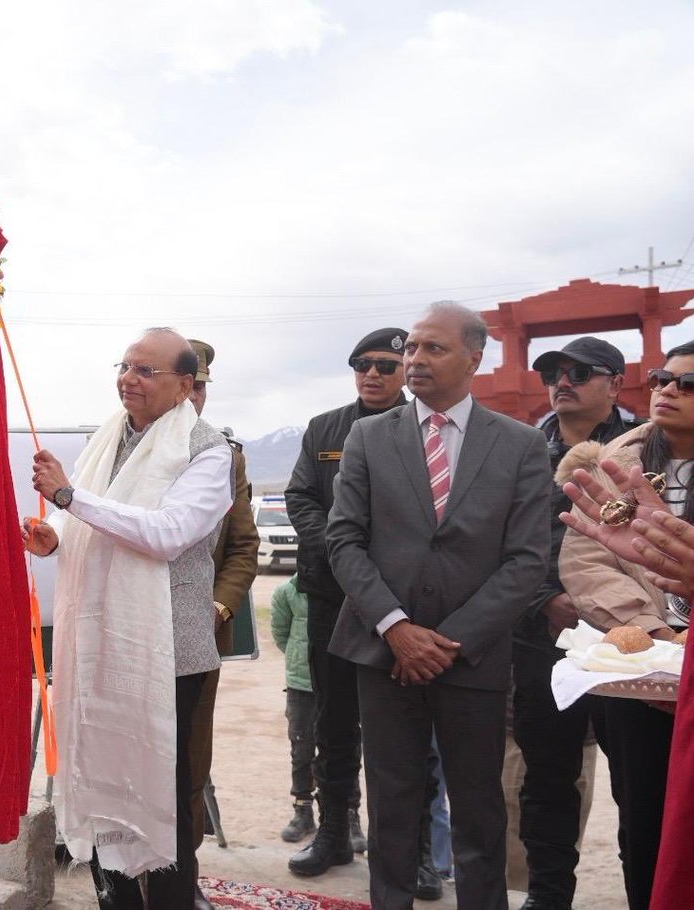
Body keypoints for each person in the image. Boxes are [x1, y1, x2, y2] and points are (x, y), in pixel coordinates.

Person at [326, 301, 551, 910]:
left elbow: (528, 560)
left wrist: (447, 641)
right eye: (412, 349)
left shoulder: (522, 445)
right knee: (393, 804)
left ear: (475, 358)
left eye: (433, 349)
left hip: (471, 659)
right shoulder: (370, 436)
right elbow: (343, 539)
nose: (414, 361)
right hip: (384, 652)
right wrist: (398, 629)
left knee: (478, 808)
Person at [22, 327, 232, 910]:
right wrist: (55, 536)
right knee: (99, 776)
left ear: (185, 385)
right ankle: (114, 898)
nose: (128, 379)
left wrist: (69, 500)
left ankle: (170, 900)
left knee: (165, 792)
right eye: (125, 366)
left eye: (146, 371)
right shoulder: (109, 438)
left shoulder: (210, 451)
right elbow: (90, 521)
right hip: (99, 644)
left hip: (168, 650)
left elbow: (165, 535)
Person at [552, 342, 694, 910]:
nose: (669, 390)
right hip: (638, 675)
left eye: (689, 384)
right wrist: (655, 643)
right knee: (645, 814)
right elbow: (587, 559)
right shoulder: (614, 463)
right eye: (663, 378)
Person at [511, 337, 637, 910]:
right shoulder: (518, 451)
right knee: (548, 775)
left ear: (614, 383)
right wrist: (543, 600)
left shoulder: (647, 449)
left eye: (581, 373)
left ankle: (648, 890)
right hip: (546, 639)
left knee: (639, 779)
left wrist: (613, 608)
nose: (564, 382)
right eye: (553, 373)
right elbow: (499, 541)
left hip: (635, 641)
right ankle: (548, 895)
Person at [283, 326, 408, 876]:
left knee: (403, 728)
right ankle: (333, 832)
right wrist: (339, 549)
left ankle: (409, 850)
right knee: (332, 723)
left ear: (406, 370)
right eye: (362, 363)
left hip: (401, 601)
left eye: (385, 364)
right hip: (333, 596)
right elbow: (300, 496)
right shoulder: (325, 428)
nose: (372, 374)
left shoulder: (419, 428)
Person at [186, 339, 260, 910]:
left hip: (195, 637)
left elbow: (242, 547)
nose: (196, 396)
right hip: (125, 634)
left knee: (189, 761)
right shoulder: (115, 449)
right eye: (189, 383)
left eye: (203, 386)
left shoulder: (224, 455)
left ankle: (180, 880)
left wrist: (220, 607)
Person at [270, 576, 316, 847]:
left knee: (343, 749)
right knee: (301, 749)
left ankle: (348, 814)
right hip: (301, 684)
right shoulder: (286, 592)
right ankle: (303, 810)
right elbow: (280, 634)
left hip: (337, 682)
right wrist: (300, 657)